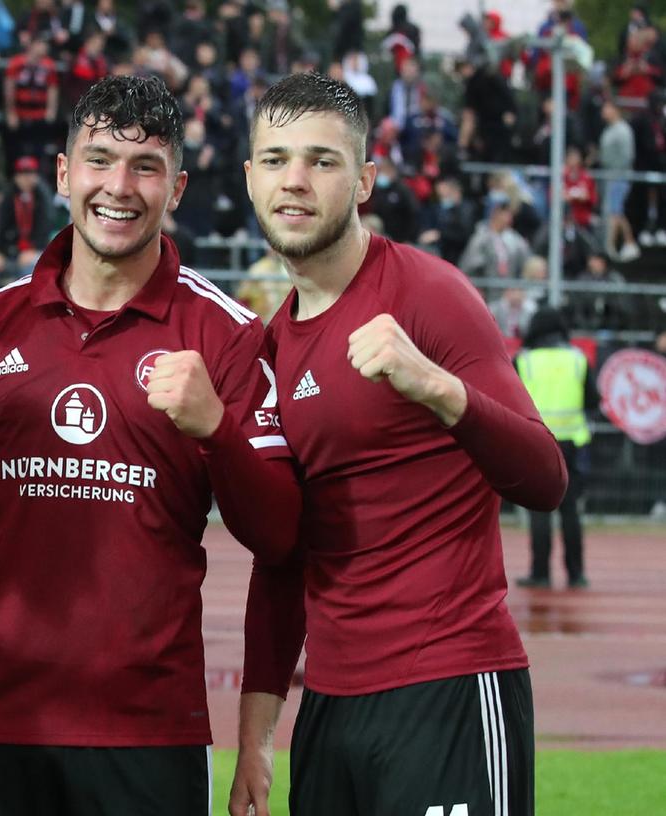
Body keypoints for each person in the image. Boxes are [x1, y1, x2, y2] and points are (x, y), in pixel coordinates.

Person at [0, 74, 299, 815]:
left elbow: (280, 533)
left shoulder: (225, 336)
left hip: (148, 729)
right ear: (64, 173)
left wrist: (214, 430)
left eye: (146, 167)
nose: (119, 187)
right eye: (99, 160)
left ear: (178, 187)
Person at [229, 73, 567, 816]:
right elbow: (282, 556)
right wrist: (256, 734)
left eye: (322, 161)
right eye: (276, 159)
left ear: (363, 182)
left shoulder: (428, 293)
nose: (295, 181)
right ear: (249, 178)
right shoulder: (267, 347)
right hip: (331, 708)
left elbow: (544, 478)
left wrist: (438, 388)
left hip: (448, 684)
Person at [514, 306, 593, 589]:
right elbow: (592, 402)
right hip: (572, 443)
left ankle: (540, 573)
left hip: (536, 443)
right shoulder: (578, 360)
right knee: (570, 509)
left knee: (540, 510)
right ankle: (576, 574)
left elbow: (508, 399)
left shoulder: (525, 361)